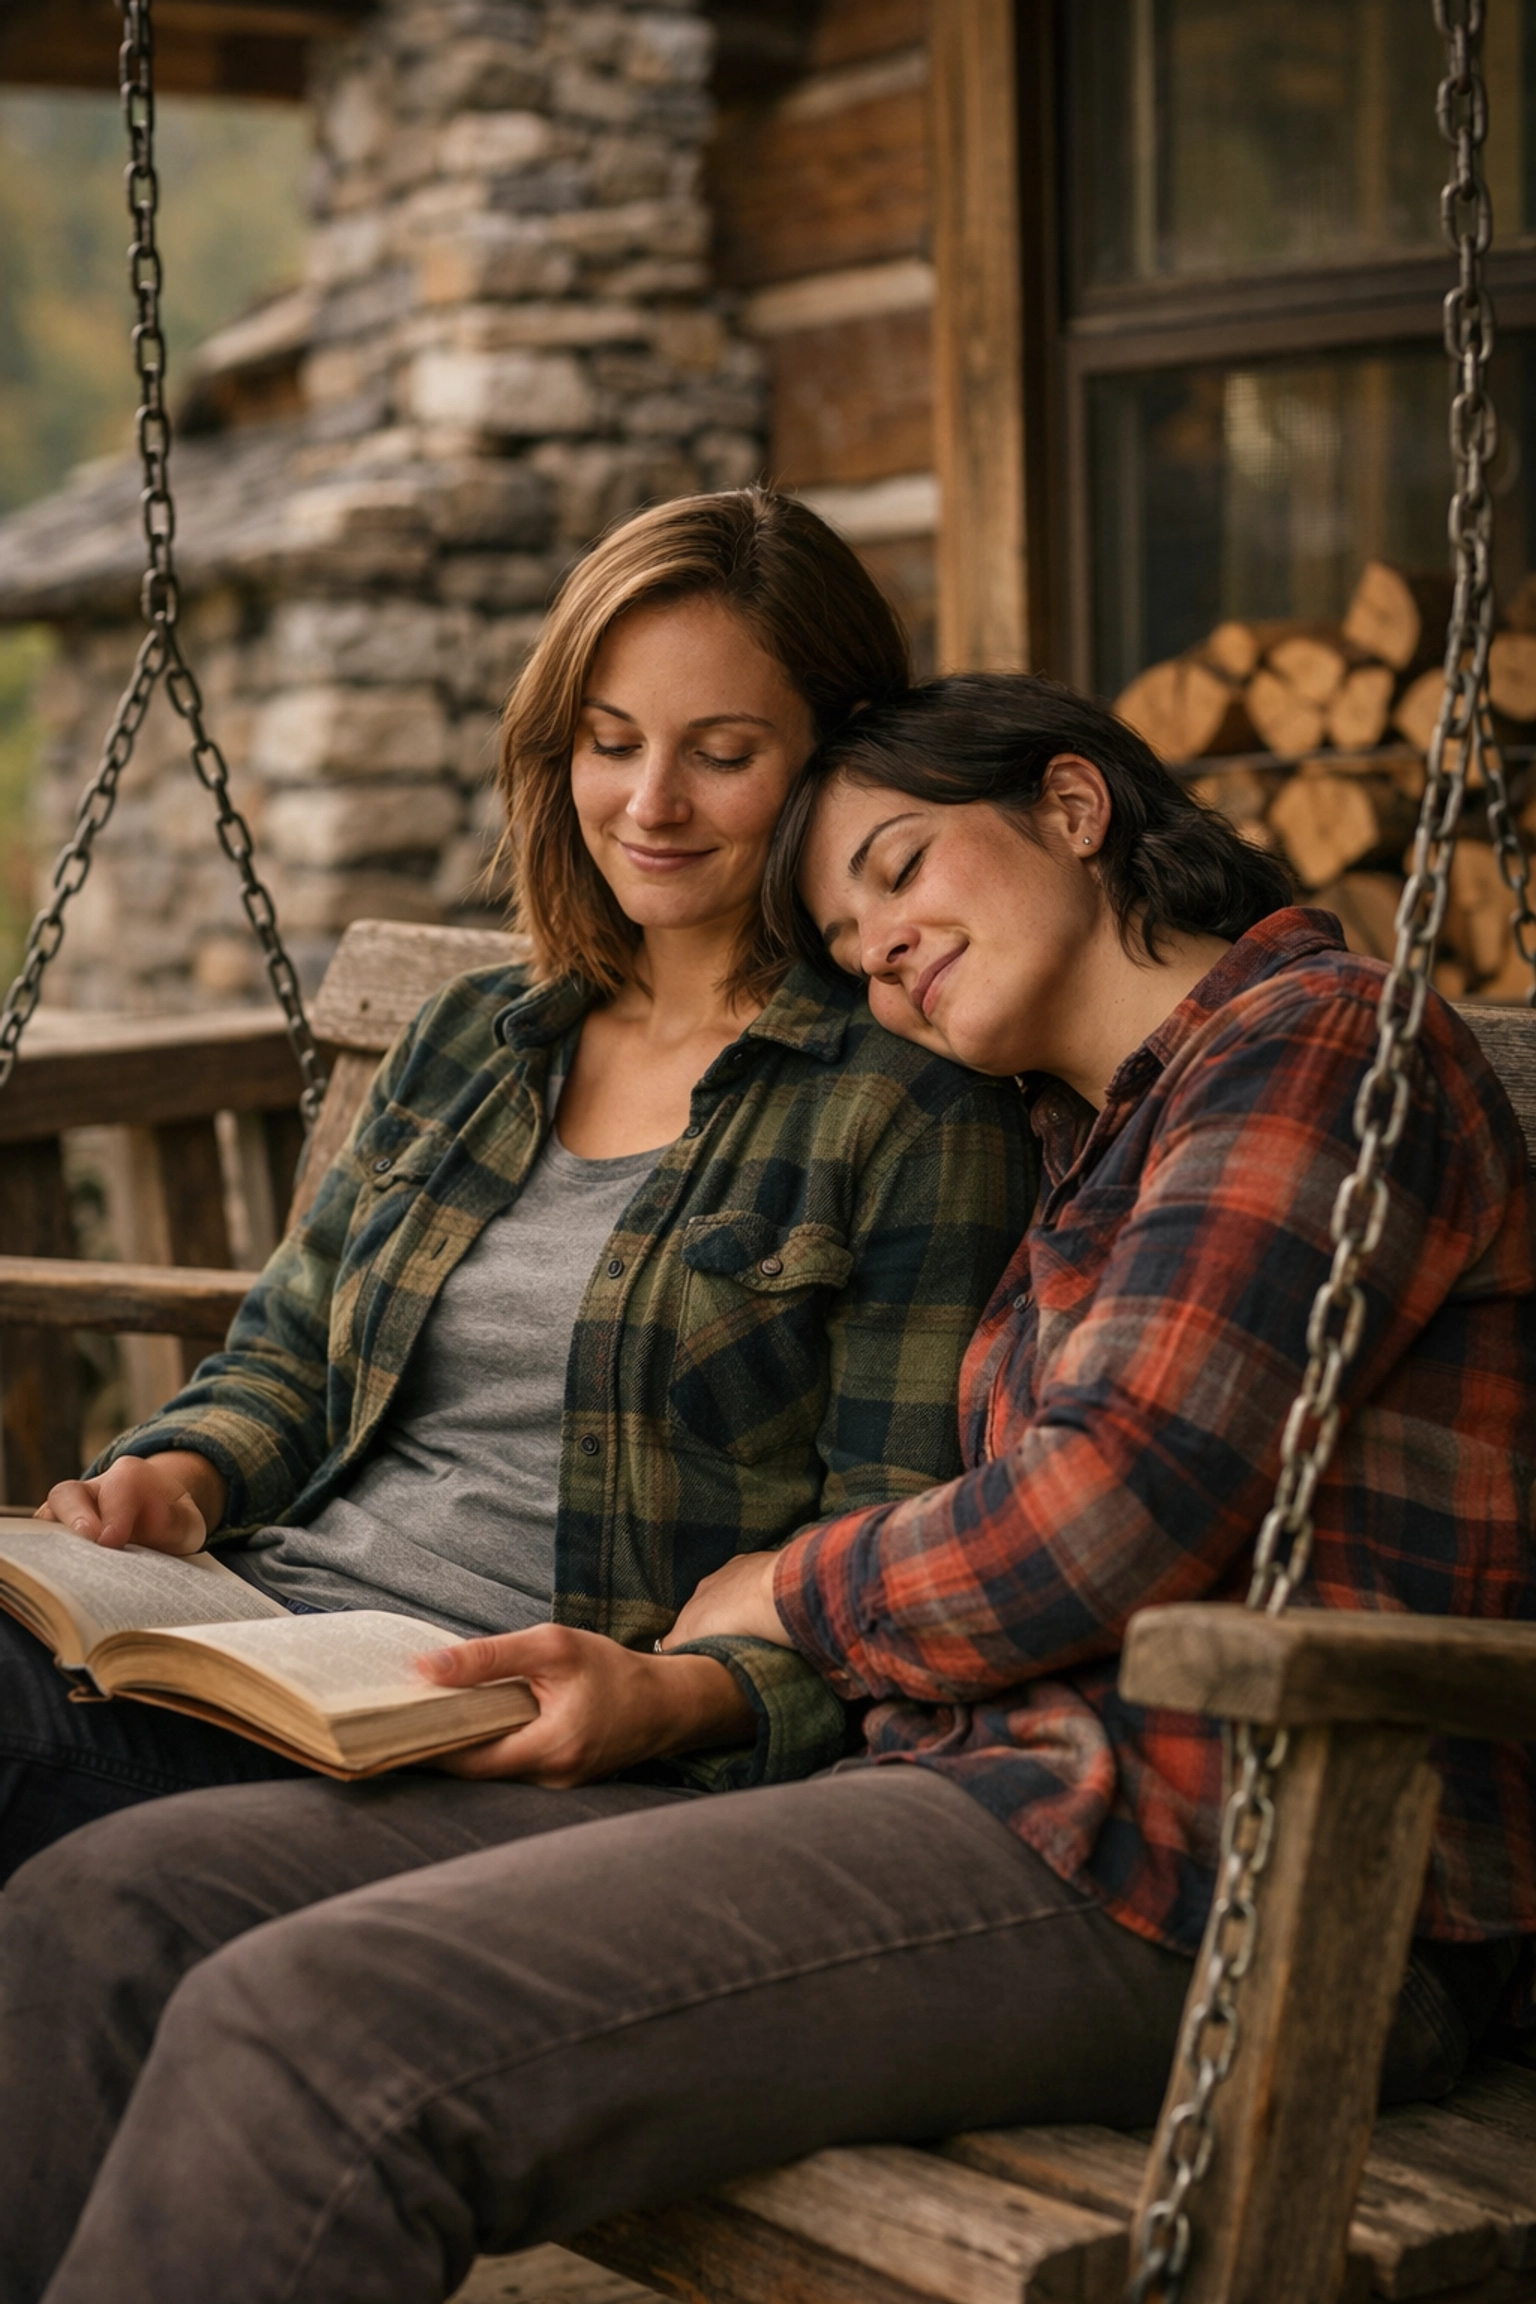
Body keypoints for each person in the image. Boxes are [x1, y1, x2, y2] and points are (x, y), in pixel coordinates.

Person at [6, 674, 1531, 2304]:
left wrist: (783, 1593)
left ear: (1075, 811)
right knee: (108, 1907)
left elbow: (1103, 1515)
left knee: (315, 2031)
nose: (877, 947)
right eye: (843, 928)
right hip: (967, 1792)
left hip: (1229, 1867)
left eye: (898, 868)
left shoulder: (1320, 1045)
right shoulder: (1087, 1129)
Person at [0, 493, 1032, 1883]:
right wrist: (177, 1476)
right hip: (257, 1639)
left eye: (720, 755)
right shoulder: (478, 1039)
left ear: (831, 767)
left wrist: (689, 1697)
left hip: (506, 1744)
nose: (649, 802)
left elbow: (880, 1552)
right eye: (612, 744)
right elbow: (290, 1355)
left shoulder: (903, 1104)